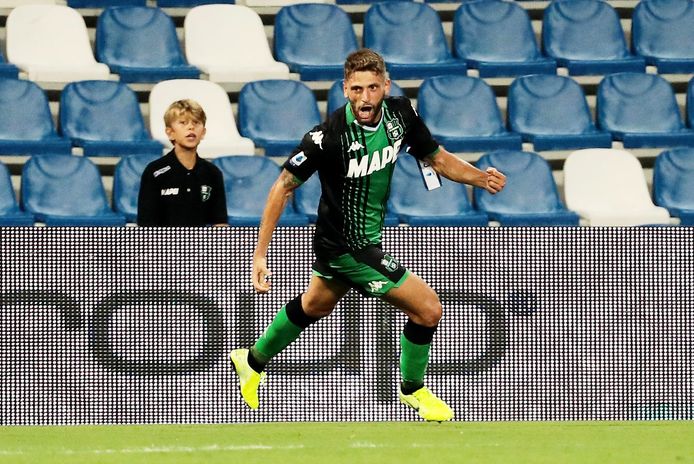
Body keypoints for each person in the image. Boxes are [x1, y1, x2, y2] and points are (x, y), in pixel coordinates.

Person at [230, 49, 506, 421]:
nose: (365, 97)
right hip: (347, 247)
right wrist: (260, 254)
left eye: (373, 87)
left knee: (315, 305)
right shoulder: (326, 137)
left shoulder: (401, 115)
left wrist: (480, 178)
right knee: (428, 309)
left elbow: (437, 158)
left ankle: (251, 360)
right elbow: (283, 186)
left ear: (386, 86)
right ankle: (413, 389)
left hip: (356, 240)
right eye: (357, 89)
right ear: (345, 89)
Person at [137, 99, 228, 227]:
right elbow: (146, 225)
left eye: (196, 122)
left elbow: (220, 223)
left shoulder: (213, 173)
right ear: (170, 133)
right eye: (183, 123)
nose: (191, 127)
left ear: (203, 133)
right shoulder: (155, 172)